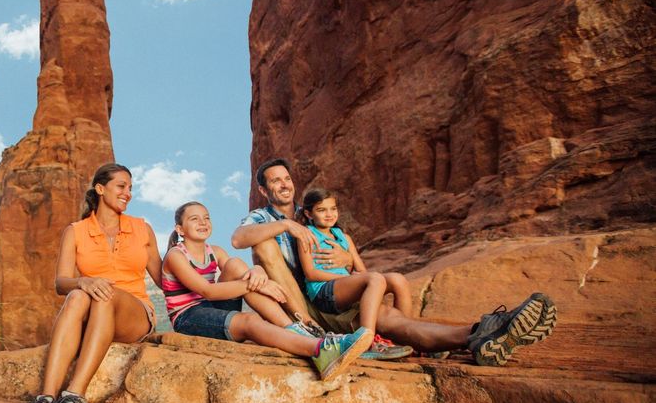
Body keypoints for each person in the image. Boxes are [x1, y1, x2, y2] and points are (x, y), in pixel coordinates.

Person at [231, 158, 557, 365]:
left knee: (398, 322)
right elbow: (238, 240)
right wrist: (286, 225)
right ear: (263, 189)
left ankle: (483, 331)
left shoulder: (312, 212)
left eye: (286, 178)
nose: (283, 184)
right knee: (264, 246)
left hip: (335, 297)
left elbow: (343, 255)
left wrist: (346, 257)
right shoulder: (263, 216)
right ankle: (309, 329)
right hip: (301, 302)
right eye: (275, 181)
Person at [10, 163, 162, 403]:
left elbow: (165, 280)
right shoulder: (76, 231)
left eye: (130, 188)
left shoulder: (142, 229)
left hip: (134, 313)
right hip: (91, 312)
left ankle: (74, 398)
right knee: (78, 295)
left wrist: (199, 258)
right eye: (121, 186)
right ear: (100, 189)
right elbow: (61, 282)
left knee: (104, 293)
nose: (128, 193)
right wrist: (84, 281)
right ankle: (44, 402)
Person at [163, 201, 373, 380]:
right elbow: (207, 291)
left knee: (236, 265)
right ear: (180, 229)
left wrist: (257, 270)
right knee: (251, 321)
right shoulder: (176, 255)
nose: (203, 223)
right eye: (194, 219)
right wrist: (259, 283)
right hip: (189, 317)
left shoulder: (214, 251)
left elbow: (239, 272)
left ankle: (292, 329)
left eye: (206, 218)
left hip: (214, 308)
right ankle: (319, 350)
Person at [297, 188, 414, 359]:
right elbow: (311, 273)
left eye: (333, 208)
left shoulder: (343, 237)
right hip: (323, 291)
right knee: (374, 279)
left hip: (344, 287)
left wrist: (353, 274)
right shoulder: (306, 235)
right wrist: (347, 278)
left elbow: (361, 270)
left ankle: (404, 339)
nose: (329, 214)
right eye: (321, 210)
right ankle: (365, 343)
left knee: (398, 279)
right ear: (308, 213)